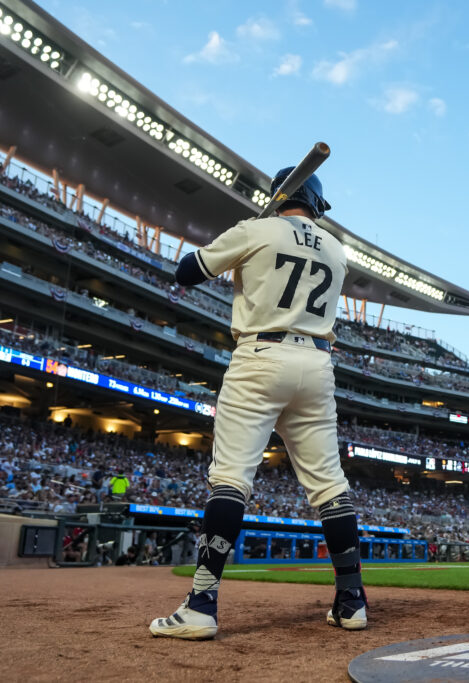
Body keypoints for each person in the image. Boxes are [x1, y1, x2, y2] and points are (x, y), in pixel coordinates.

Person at [150, 168, 366, 640]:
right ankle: (352, 601)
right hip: (317, 364)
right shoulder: (336, 249)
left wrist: (244, 236)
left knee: (230, 478)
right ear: (316, 204)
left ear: (278, 197)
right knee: (330, 484)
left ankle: (201, 605)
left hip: (260, 355)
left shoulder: (256, 229)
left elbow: (186, 272)